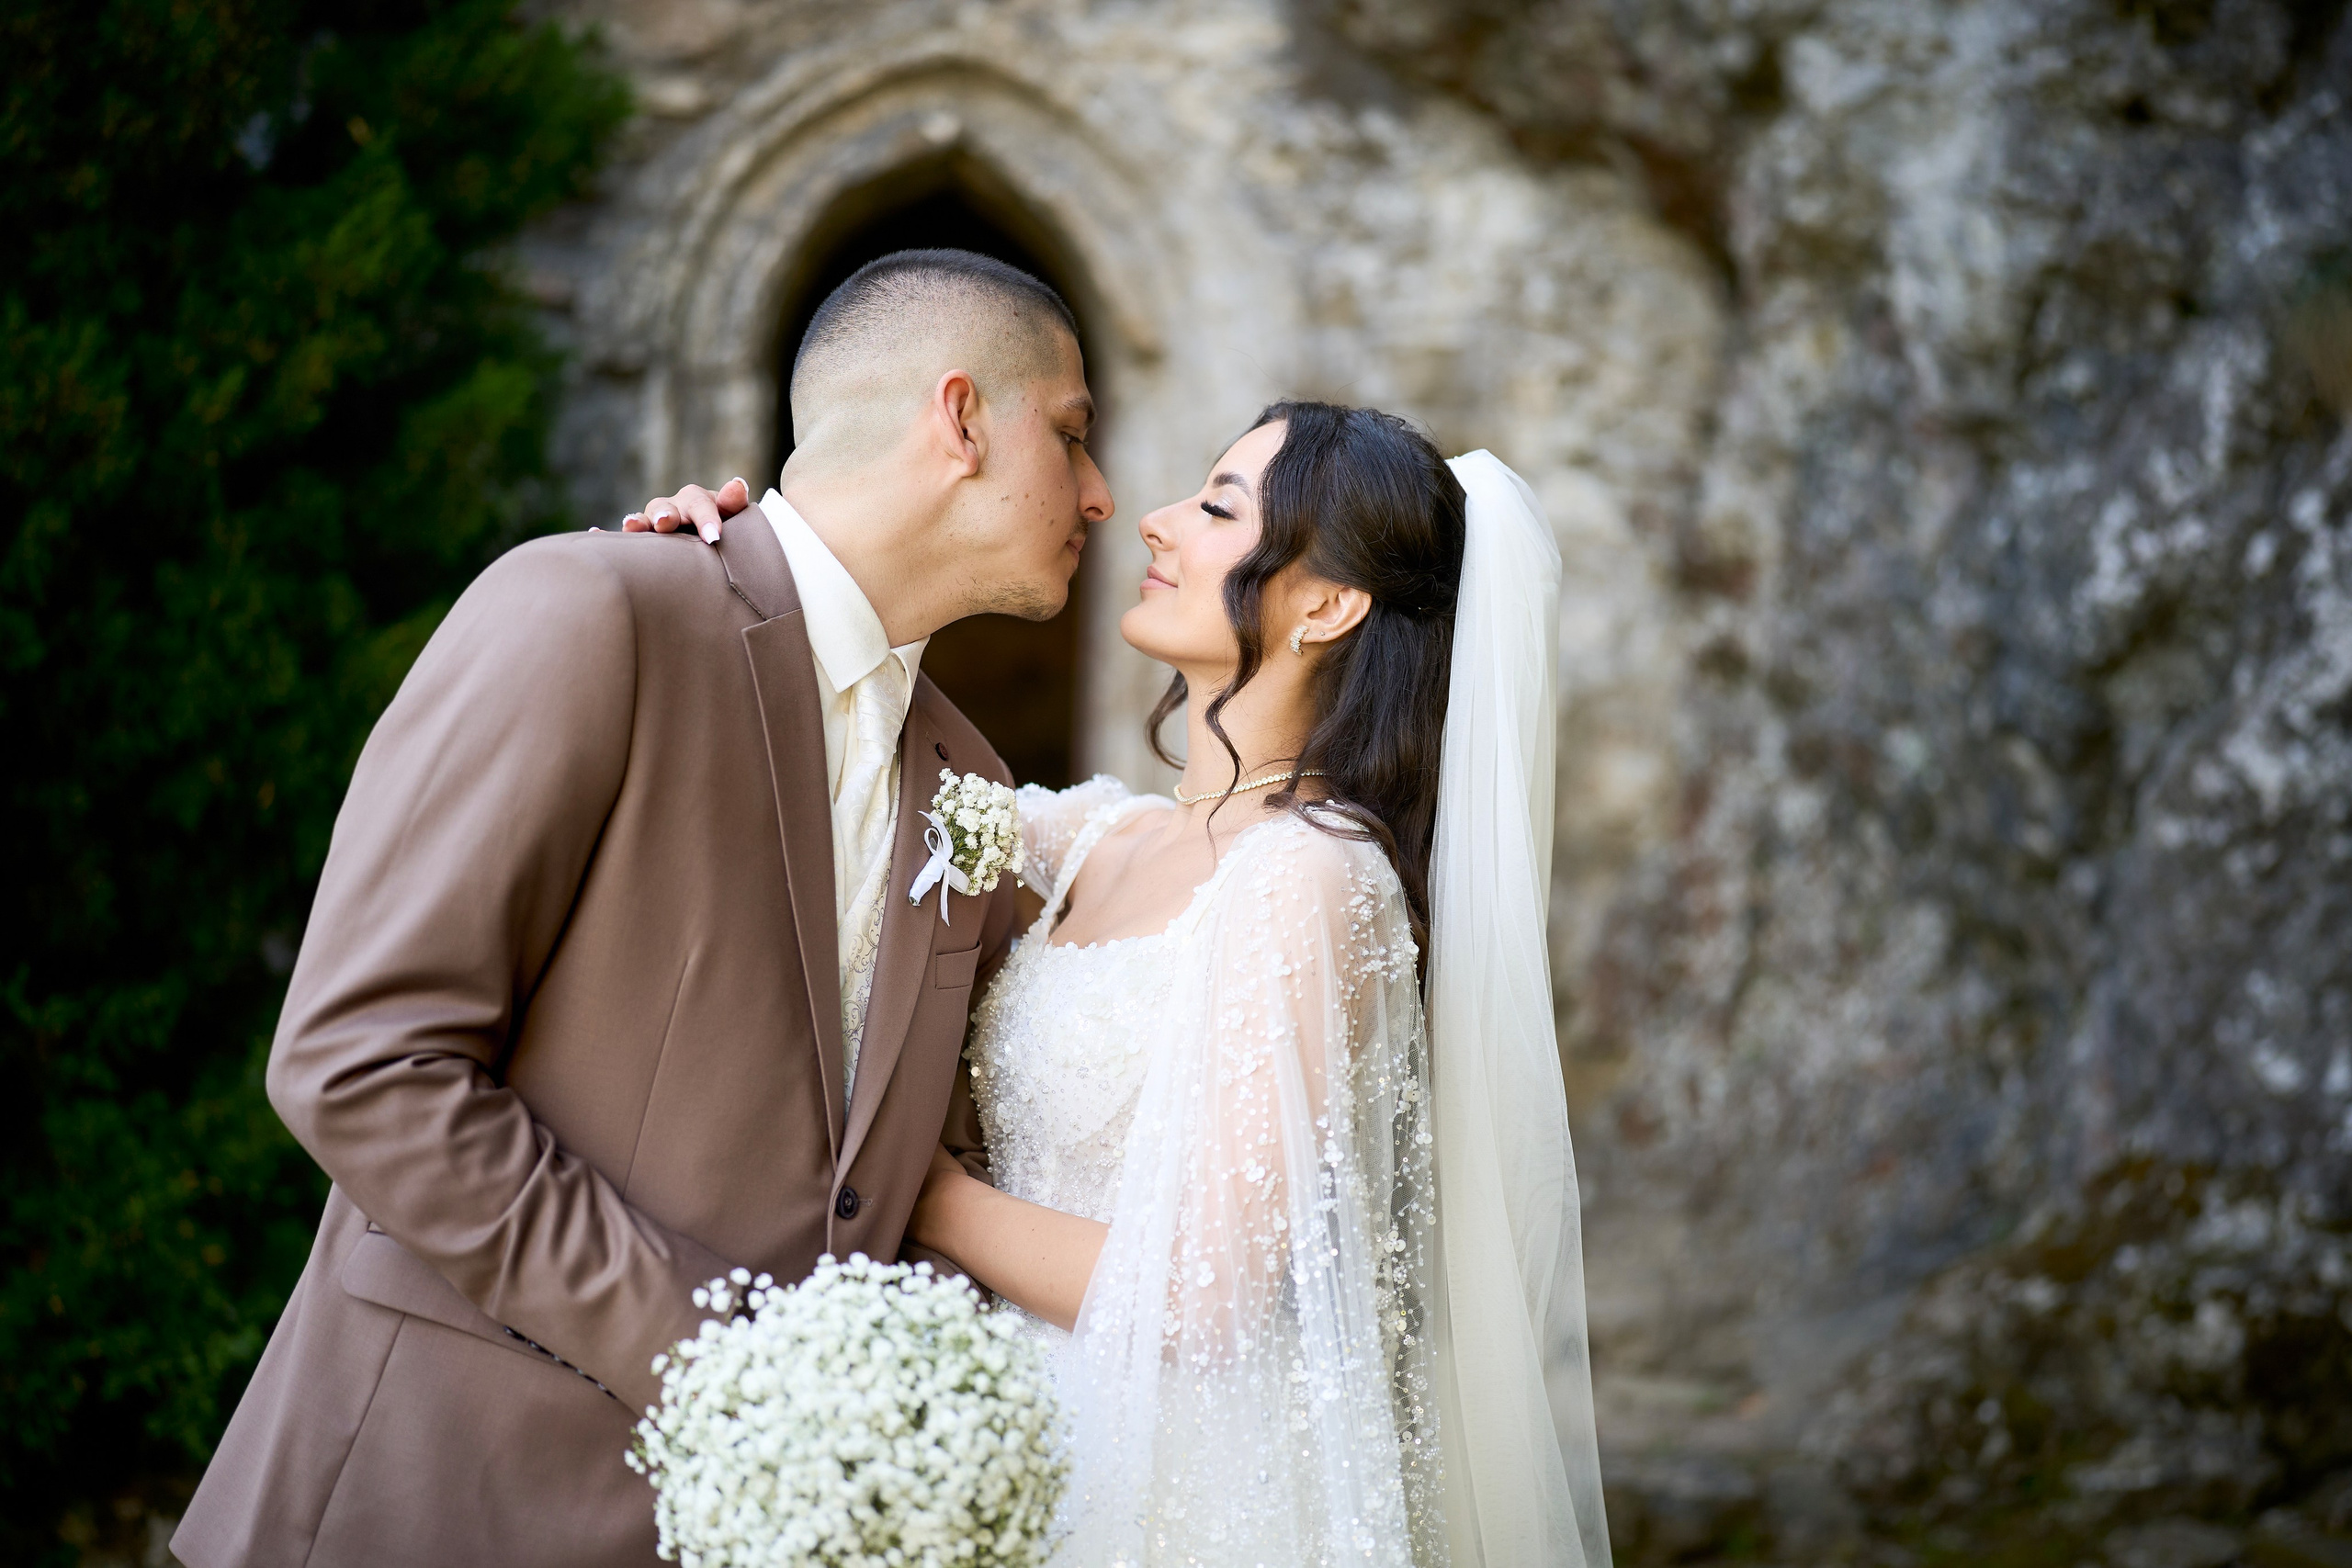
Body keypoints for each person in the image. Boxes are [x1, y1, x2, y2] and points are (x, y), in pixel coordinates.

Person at [171, 250, 1113, 1568]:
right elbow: (360, 1061)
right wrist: (730, 1369)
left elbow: (888, 1179)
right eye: (1070, 433)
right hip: (439, 1488)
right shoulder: (593, 606)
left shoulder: (973, 784)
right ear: (960, 418)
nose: (1099, 491)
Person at [636, 402, 1611, 1565]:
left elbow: (1202, 1291)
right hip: (1009, 1447)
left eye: (1213, 508)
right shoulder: (1097, 836)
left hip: (1180, 1483)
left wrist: (920, 1192)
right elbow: (852, 762)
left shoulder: (1313, 879)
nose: (1151, 524)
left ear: (1325, 604)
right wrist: (742, 572)